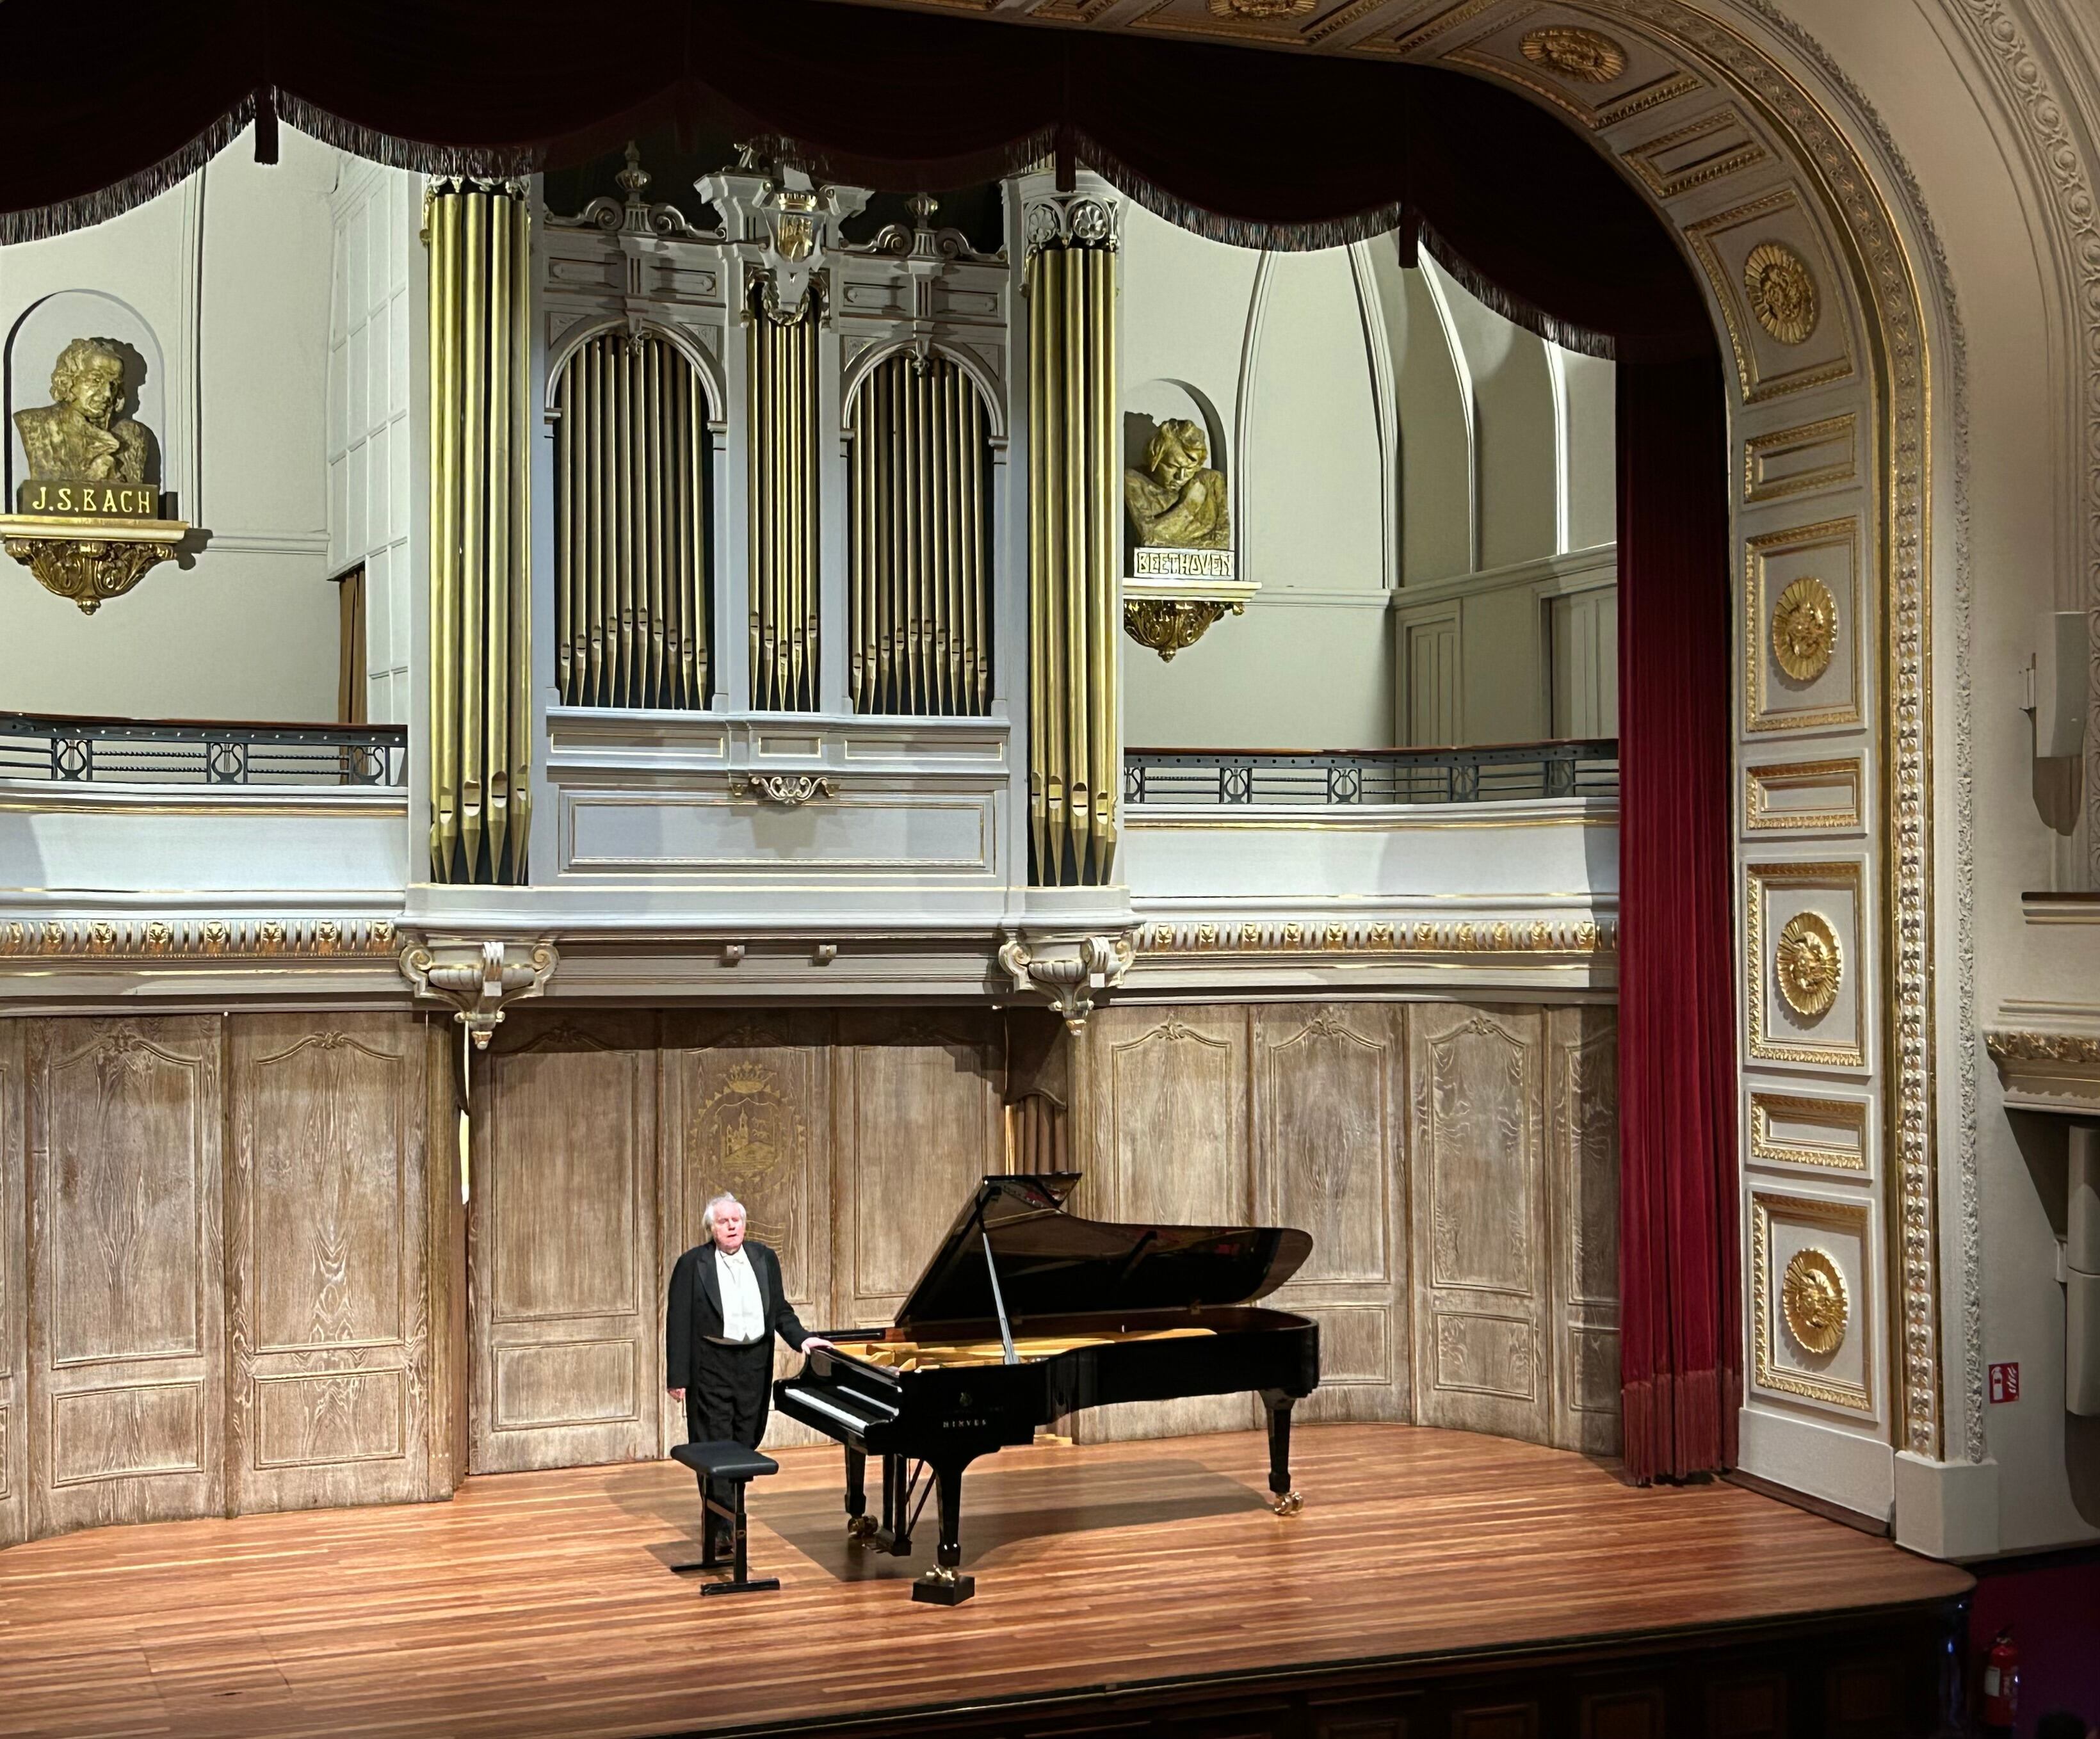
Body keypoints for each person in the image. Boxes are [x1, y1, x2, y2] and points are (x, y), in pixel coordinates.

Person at [666, 1193, 830, 1546]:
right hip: (711, 1363)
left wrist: (803, 1340)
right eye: (723, 1222)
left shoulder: (764, 1258)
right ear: (711, 1228)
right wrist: (678, 1377)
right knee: (714, 1444)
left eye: (736, 1221)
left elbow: (781, 1310)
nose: (731, 1226)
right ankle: (722, 1528)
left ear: (744, 1224)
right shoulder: (692, 1264)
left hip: (754, 1364)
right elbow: (678, 1321)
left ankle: (730, 1513)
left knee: (746, 1440)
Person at [13, 337, 152, 483]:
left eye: (114, 384)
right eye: (95, 380)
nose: (107, 394)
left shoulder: (134, 435)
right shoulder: (35, 425)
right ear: (68, 381)